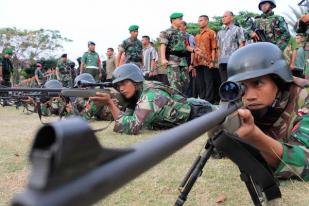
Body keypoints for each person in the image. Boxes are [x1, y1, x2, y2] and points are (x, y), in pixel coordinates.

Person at [227, 42, 309, 181]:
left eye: (257, 83)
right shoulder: (242, 105)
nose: (249, 96)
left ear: (278, 80)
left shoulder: (304, 98)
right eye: (242, 87)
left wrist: (255, 137)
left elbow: (305, 162)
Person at [159, 12, 197, 93]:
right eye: (180, 19)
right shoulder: (166, 32)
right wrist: (163, 59)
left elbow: (186, 46)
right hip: (172, 61)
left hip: (183, 61)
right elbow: (163, 45)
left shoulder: (183, 33)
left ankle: (182, 99)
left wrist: (194, 50)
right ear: (173, 20)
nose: (182, 21)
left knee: (186, 81)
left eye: (182, 19)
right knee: (175, 83)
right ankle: (177, 101)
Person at [192, 15, 217, 103]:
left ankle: (209, 101)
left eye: (201, 20)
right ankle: (202, 100)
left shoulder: (211, 32)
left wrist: (212, 61)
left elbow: (214, 48)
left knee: (208, 82)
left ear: (206, 21)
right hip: (198, 62)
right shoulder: (197, 35)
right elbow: (194, 50)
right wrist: (193, 63)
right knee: (200, 82)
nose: (199, 22)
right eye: (198, 21)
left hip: (207, 61)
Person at [217, 11, 245, 83]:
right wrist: (218, 60)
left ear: (232, 17)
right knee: (224, 83)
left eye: (225, 16)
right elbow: (218, 47)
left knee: (235, 82)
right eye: (222, 17)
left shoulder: (238, 29)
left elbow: (242, 45)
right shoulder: (220, 32)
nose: (223, 18)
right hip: (222, 62)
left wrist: (238, 60)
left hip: (233, 61)